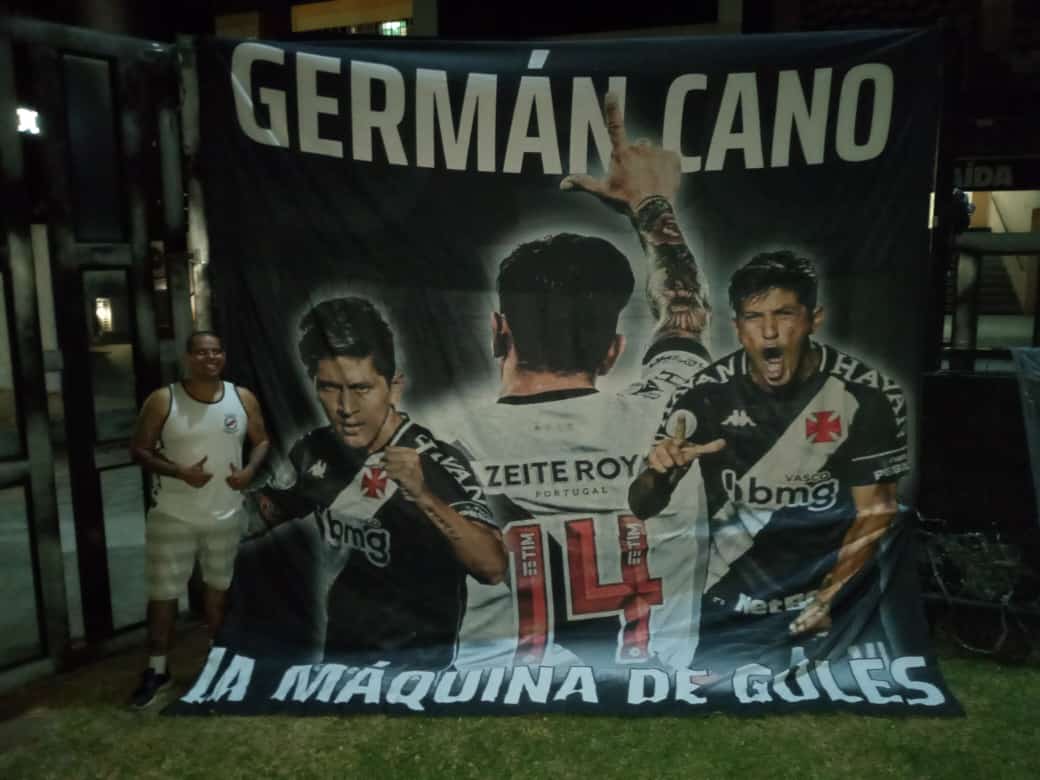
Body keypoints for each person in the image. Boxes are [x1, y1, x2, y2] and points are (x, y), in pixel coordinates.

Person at [454, 95, 715, 671]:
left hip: (498, 687)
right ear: (614, 351)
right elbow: (684, 314)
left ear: (498, 331)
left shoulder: (449, 442)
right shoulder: (670, 416)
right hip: (650, 684)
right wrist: (649, 203)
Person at [628, 251, 909, 676]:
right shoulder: (704, 394)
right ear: (738, 327)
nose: (770, 331)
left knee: (845, 694)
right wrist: (659, 472)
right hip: (732, 600)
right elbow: (642, 505)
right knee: (711, 697)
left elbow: (876, 512)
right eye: (754, 317)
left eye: (784, 314)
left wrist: (829, 597)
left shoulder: (865, 396)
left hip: (831, 594)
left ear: (813, 319)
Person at [254, 296, 506, 669]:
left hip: (420, 670)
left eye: (361, 389)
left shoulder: (435, 460)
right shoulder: (315, 450)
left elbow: (492, 567)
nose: (345, 408)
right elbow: (260, 514)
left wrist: (423, 495)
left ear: (394, 386)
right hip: (343, 663)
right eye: (329, 388)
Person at [129, 331, 269, 708]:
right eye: (203, 352)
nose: (211, 358)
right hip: (173, 514)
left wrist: (249, 470)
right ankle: (157, 669)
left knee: (219, 590)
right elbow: (139, 450)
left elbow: (262, 440)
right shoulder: (164, 399)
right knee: (163, 594)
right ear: (189, 357)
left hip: (226, 512)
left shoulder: (241, 397)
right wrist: (179, 472)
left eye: (216, 351)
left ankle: (218, 660)